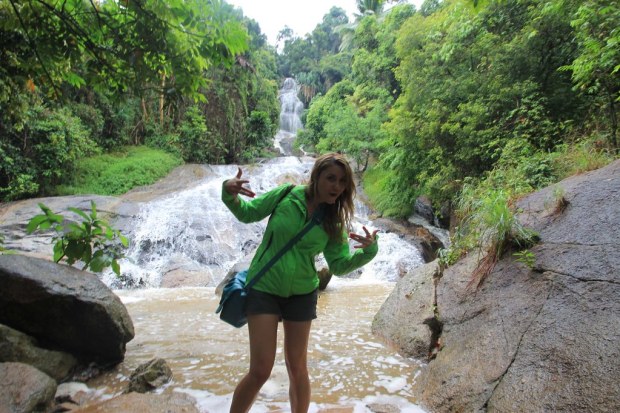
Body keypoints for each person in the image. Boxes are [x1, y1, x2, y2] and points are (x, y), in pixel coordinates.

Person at [221, 152, 379, 413]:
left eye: (342, 182)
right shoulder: (286, 195)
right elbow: (247, 213)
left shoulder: (334, 221)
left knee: (297, 367)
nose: (336, 187)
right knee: (260, 370)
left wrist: (368, 252)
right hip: (265, 288)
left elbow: (339, 265)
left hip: (302, 294)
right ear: (315, 177)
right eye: (330, 178)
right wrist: (229, 193)